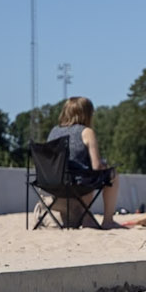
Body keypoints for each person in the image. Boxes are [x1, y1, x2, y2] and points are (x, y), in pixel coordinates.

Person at [45, 96, 118, 228]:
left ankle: (85, 216)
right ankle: (108, 220)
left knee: (84, 172)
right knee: (112, 174)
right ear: (87, 114)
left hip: (51, 183)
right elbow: (96, 167)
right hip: (77, 185)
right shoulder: (86, 132)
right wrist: (105, 166)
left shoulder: (54, 131)